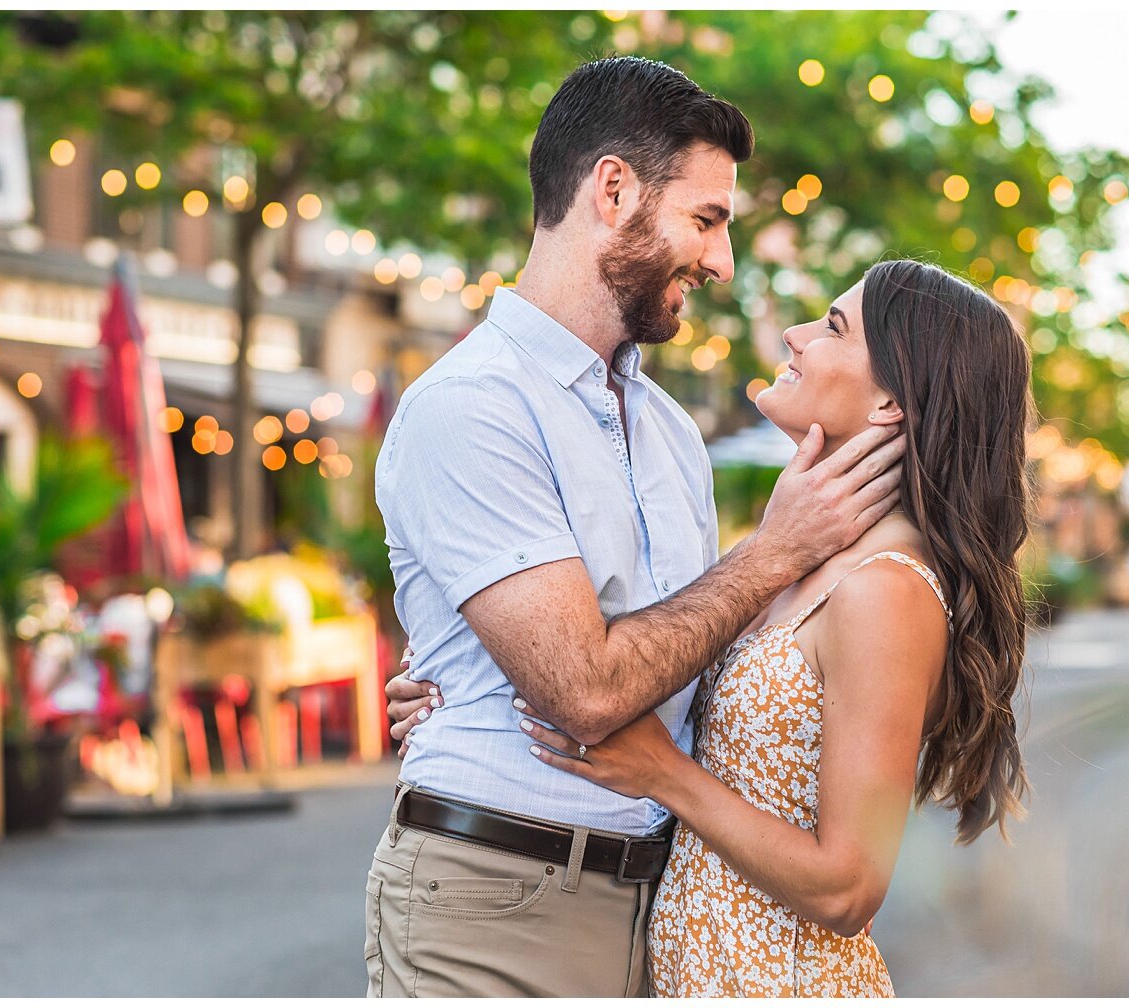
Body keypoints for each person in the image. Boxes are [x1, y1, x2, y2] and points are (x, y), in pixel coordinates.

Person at [367, 57, 906, 998]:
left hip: (658, 908)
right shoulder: (470, 407)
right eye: (706, 220)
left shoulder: (666, 430)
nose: (721, 263)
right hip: (497, 903)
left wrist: (454, 673)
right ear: (613, 190)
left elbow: (680, 665)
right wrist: (774, 553)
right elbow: (583, 690)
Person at [511, 259, 1034, 996]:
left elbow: (848, 889)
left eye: (832, 327)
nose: (794, 336)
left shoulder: (885, 591)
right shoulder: (800, 559)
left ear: (891, 401)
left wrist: (666, 776)